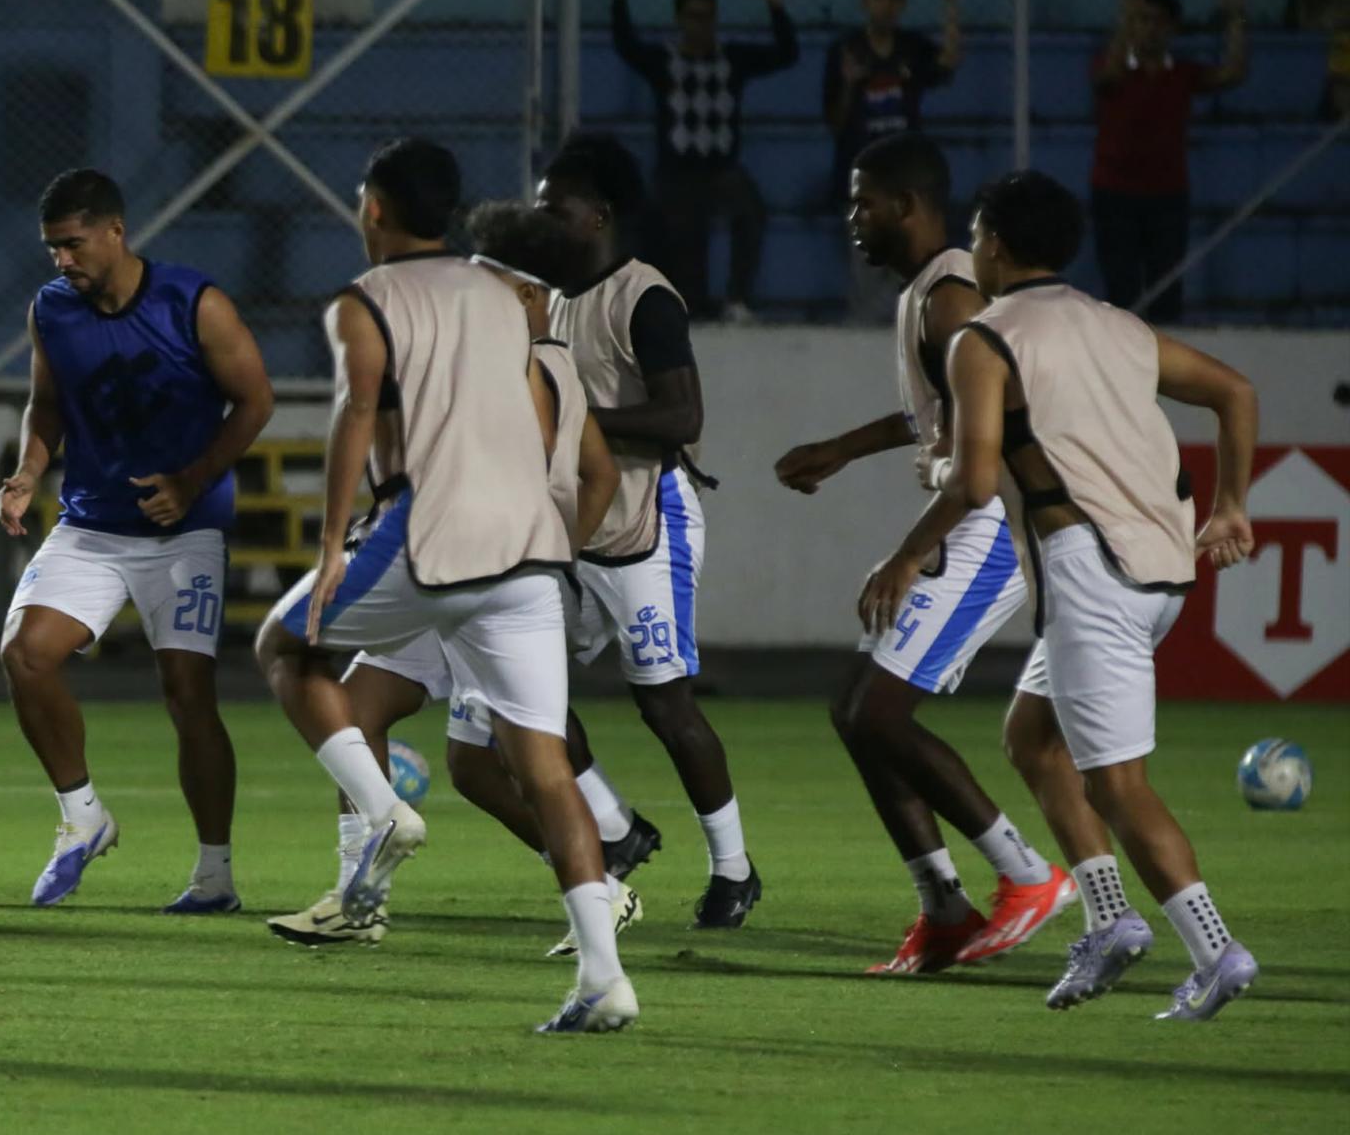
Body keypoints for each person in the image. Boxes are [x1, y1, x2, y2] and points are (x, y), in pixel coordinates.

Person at [254, 138, 637, 1033]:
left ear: (374, 207)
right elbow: (535, 423)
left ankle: (383, 810)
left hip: (432, 537)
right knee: (545, 768)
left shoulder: (365, 301)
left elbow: (357, 414)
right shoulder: (501, 298)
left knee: (285, 646)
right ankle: (604, 977)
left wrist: (333, 543)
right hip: (530, 551)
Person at [864, 169, 1261, 1018]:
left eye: (978, 233)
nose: (973, 247)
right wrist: (1230, 505)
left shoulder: (984, 338)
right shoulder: (1118, 325)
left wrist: (905, 555)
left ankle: (1216, 951)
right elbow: (1236, 391)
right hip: (1160, 571)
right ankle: (1111, 922)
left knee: (1117, 784)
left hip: (1091, 574)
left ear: (997, 245)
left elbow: (973, 481)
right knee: (1032, 740)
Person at [777, 133, 1096, 974]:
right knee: (857, 713)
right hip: (965, 515)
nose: (853, 217)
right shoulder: (930, 293)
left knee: (877, 713)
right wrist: (843, 448)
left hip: (986, 523)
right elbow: (939, 416)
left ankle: (1028, 875)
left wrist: (907, 554)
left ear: (909, 205)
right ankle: (944, 907)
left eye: (864, 201)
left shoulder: (951, 297)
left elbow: (983, 447)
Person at [0, 168, 274, 912]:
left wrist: (193, 479)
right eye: (53, 248)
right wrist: (28, 472)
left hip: (185, 532)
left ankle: (214, 875)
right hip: (91, 525)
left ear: (116, 232)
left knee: (188, 694)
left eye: (73, 244)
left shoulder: (195, 303)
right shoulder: (52, 309)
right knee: (25, 654)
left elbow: (255, 400)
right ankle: (83, 817)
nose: (62, 260)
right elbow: (46, 404)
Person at [537, 133, 763, 929]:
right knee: (519, 688)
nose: (541, 221)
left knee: (665, 705)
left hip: (648, 519)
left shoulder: (644, 297)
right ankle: (616, 825)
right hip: (574, 524)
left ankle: (734, 869)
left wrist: (577, 420)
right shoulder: (551, 299)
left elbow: (682, 416)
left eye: (555, 209)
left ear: (599, 215)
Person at [607, 0, 798, 321]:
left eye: (708, 16)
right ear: (679, 18)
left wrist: (775, 4)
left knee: (751, 212)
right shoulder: (663, 61)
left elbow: (786, 53)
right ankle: (694, 306)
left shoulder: (733, 58)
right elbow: (626, 45)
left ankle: (737, 299)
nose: (702, 25)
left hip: (723, 170)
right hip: (675, 172)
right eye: (694, 16)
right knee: (685, 242)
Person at [1091, 0, 1249, 324]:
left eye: (1158, 21)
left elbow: (1232, 73)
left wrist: (1235, 17)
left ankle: (1165, 353)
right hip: (1114, 192)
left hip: (1167, 194)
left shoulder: (1182, 73)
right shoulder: (1111, 64)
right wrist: (1124, 22)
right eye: (1142, 19)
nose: (1149, 29)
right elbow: (1109, 77)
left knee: (1166, 290)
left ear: (1173, 28)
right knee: (1121, 289)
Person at [823, 0, 964, 321]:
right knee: (867, 272)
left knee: (913, 266)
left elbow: (948, 63)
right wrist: (849, 83)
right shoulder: (846, 50)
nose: (886, 6)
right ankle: (864, 338)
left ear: (903, 4)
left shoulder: (911, 47)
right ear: (865, 1)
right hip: (863, 180)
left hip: (906, 181)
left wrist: (950, 1)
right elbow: (835, 121)